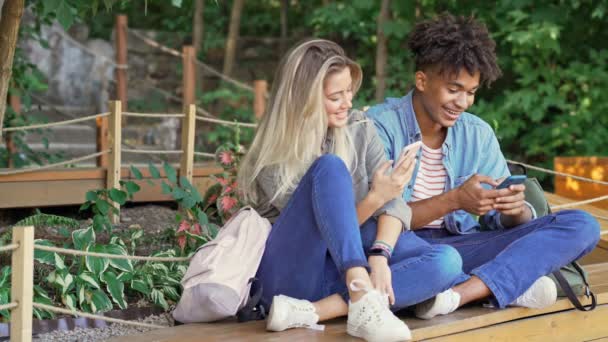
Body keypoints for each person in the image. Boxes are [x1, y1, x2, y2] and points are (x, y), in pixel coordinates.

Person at [366, 13, 601, 319]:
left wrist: (513, 210)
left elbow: (495, 222)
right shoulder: (379, 127)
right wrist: (453, 200)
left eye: (472, 92)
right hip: (402, 252)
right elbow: (374, 219)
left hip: (464, 248)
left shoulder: (477, 133)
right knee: (442, 260)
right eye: (454, 89)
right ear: (422, 80)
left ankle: (458, 295)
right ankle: (505, 285)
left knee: (582, 225)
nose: (462, 103)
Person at [238, 39, 463, 342]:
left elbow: (394, 205)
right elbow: (321, 234)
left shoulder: (360, 127)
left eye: (349, 92)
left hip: (335, 276)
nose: (347, 103)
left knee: (446, 261)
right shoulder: (274, 154)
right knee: (330, 168)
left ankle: (317, 311)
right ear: (303, 100)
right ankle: (360, 292)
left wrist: (381, 256)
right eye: (335, 96)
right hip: (291, 275)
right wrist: (375, 198)